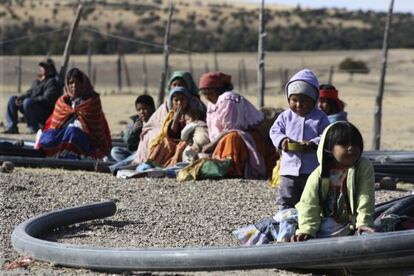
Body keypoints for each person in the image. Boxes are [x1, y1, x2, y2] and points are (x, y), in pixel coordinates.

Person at [292, 121, 375, 241]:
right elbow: (309, 203)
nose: (351, 148)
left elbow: (365, 196)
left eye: (355, 144)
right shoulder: (319, 174)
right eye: (344, 144)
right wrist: (307, 230)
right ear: (329, 148)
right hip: (325, 220)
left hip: (352, 221)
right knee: (287, 219)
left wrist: (364, 223)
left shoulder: (363, 166)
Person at [269, 69, 330, 210]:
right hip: (288, 169)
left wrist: (313, 143)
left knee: (310, 199)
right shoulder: (285, 117)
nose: (298, 105)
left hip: (312, 170)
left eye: (304, 101)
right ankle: (286, 223)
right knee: (286, 198)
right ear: (288, 99)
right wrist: (282, 140)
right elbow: (274, 131)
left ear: (314, 101)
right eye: (294, 100)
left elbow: (327, 135)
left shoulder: (320, 118)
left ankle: (307, 223)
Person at [199, 72, 270, 179]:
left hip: (247, 138)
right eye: (204, 93)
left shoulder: (228, 99)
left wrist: (211, 145)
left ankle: (233, 168)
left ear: (218, 90)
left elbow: (231, 129)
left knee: (232, 138)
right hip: (222, 139)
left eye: (209, 92)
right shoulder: (211, 103)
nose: (207, 97)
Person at [36, 68, 111, 160]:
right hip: (63, 135)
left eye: (78, 82)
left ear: (84, 84)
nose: (74, 86)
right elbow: (55, 126)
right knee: (47, 136)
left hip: (86, 140)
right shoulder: (63, 102)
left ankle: (72, 154)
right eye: (71, 83)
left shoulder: (92, 102)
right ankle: (58, 152)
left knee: (73, 132)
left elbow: (96, 132)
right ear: (67, 84)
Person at [133, 71, 204, 165]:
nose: (179, 103)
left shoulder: (194, 105)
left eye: (181, 84)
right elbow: (157, 127)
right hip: (163, 144)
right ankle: (149, 163)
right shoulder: (167, 106)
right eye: (174, 85)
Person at [4, 58, 62, 134]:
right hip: (31, 106)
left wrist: (30, 99)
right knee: (13, 99)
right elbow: (30, 92)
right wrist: (21, 98)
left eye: (45, 66)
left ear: (51, 68)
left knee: (28, 102)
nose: (43, 68)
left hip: (45, 112)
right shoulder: (37, 81)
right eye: (42, 66)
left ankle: (33, 127)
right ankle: (12, 127)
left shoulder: (53, 82)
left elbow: (47, 99)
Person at [143, 86, 192, 168]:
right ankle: (154, 163)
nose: (179, 103)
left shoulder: (191, 113)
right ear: (171, 102)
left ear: (187, 100)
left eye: (182, 100)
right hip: (173, 141)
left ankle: (172, 164)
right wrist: (176, 118)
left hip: (186, 141)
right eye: (176, 100)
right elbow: (171, 132)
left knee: (181, 146)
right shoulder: (171, 115)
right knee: (164, 142)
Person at [110, 95, 155, 162]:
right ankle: (131, 162)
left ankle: (127, 163)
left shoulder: (156, 120)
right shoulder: (135, 121)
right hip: (135, 152)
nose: (142, 112)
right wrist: (134, 131)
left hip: (147, 153)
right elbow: (126, 140)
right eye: (139, 109)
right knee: (115, 151)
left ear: (152, 108)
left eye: (145, 108)